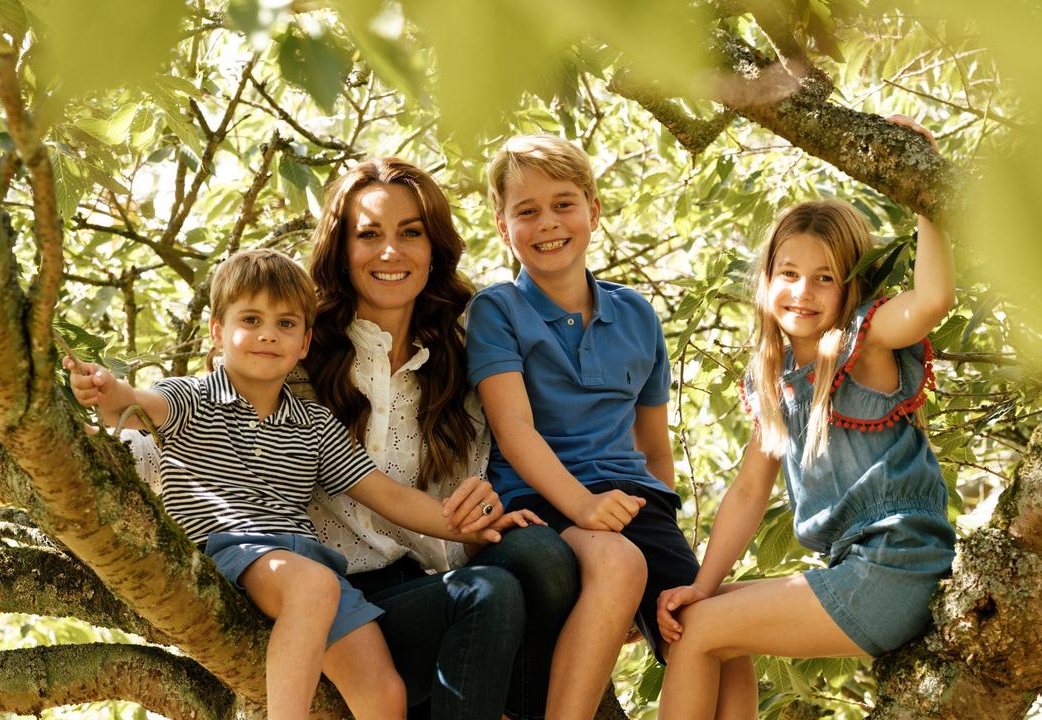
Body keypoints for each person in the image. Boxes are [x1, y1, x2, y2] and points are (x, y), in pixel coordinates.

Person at [64, 248, 513, 720]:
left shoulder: (314, 424)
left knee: (384, 692)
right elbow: (131, 406)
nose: (267, 335)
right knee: (315, 585)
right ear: (217, 332)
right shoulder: (190, 398)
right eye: (251, 319)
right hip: (230, 550)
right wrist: (106, 390)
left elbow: (389, 495)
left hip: (307, 568)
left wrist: (472, 527)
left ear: (304, 343)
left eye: (285, 324)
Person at [655, 116, 957, 719]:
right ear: (766, 281)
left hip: (894, 568)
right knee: (699, 619)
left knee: (703, 630)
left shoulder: (861, 345)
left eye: (825, 279)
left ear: (851, 288)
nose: (804, 292)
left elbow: (932, 301)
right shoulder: (773, 377)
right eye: (789, 275)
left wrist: (930, 192)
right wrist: (703, 581)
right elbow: (747, 491)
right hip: (856, 569)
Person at [466, 133, 758, 720]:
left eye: (564, 203)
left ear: (593, 211)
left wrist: (668, 544)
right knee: (620, 565)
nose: (548, 223)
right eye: (527, 211)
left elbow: (652, 447)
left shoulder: (636, 313)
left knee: (716, 631)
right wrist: (582, 506)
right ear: (503, 227)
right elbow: (514, 427)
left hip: (634, 505)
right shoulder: (497, 310)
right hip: (540, 499)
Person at [302, 157, 580, 720]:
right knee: (486, 594)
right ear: (341, 250)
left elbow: (566, 423)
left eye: (411, 233)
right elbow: (208, 413)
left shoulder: (466, 341)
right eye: (369, 235)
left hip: (433, 584)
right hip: (339, 600)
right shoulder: (301, 345)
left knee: (544, 556)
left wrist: (485, 507)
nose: (391, 252)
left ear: (434, 249)